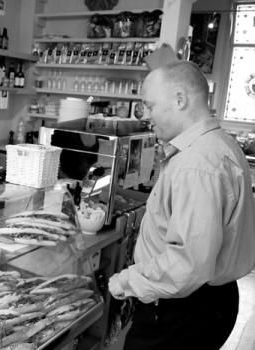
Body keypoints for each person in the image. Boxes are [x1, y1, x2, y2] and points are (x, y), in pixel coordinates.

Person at [108, 61, 255, 350]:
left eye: (149, 106)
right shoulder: (220, 142)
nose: (145, 116)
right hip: (210, 301)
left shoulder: (196, 164)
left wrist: (126, 281)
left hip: (183, 308)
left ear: (179, 99)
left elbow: (188, 265)